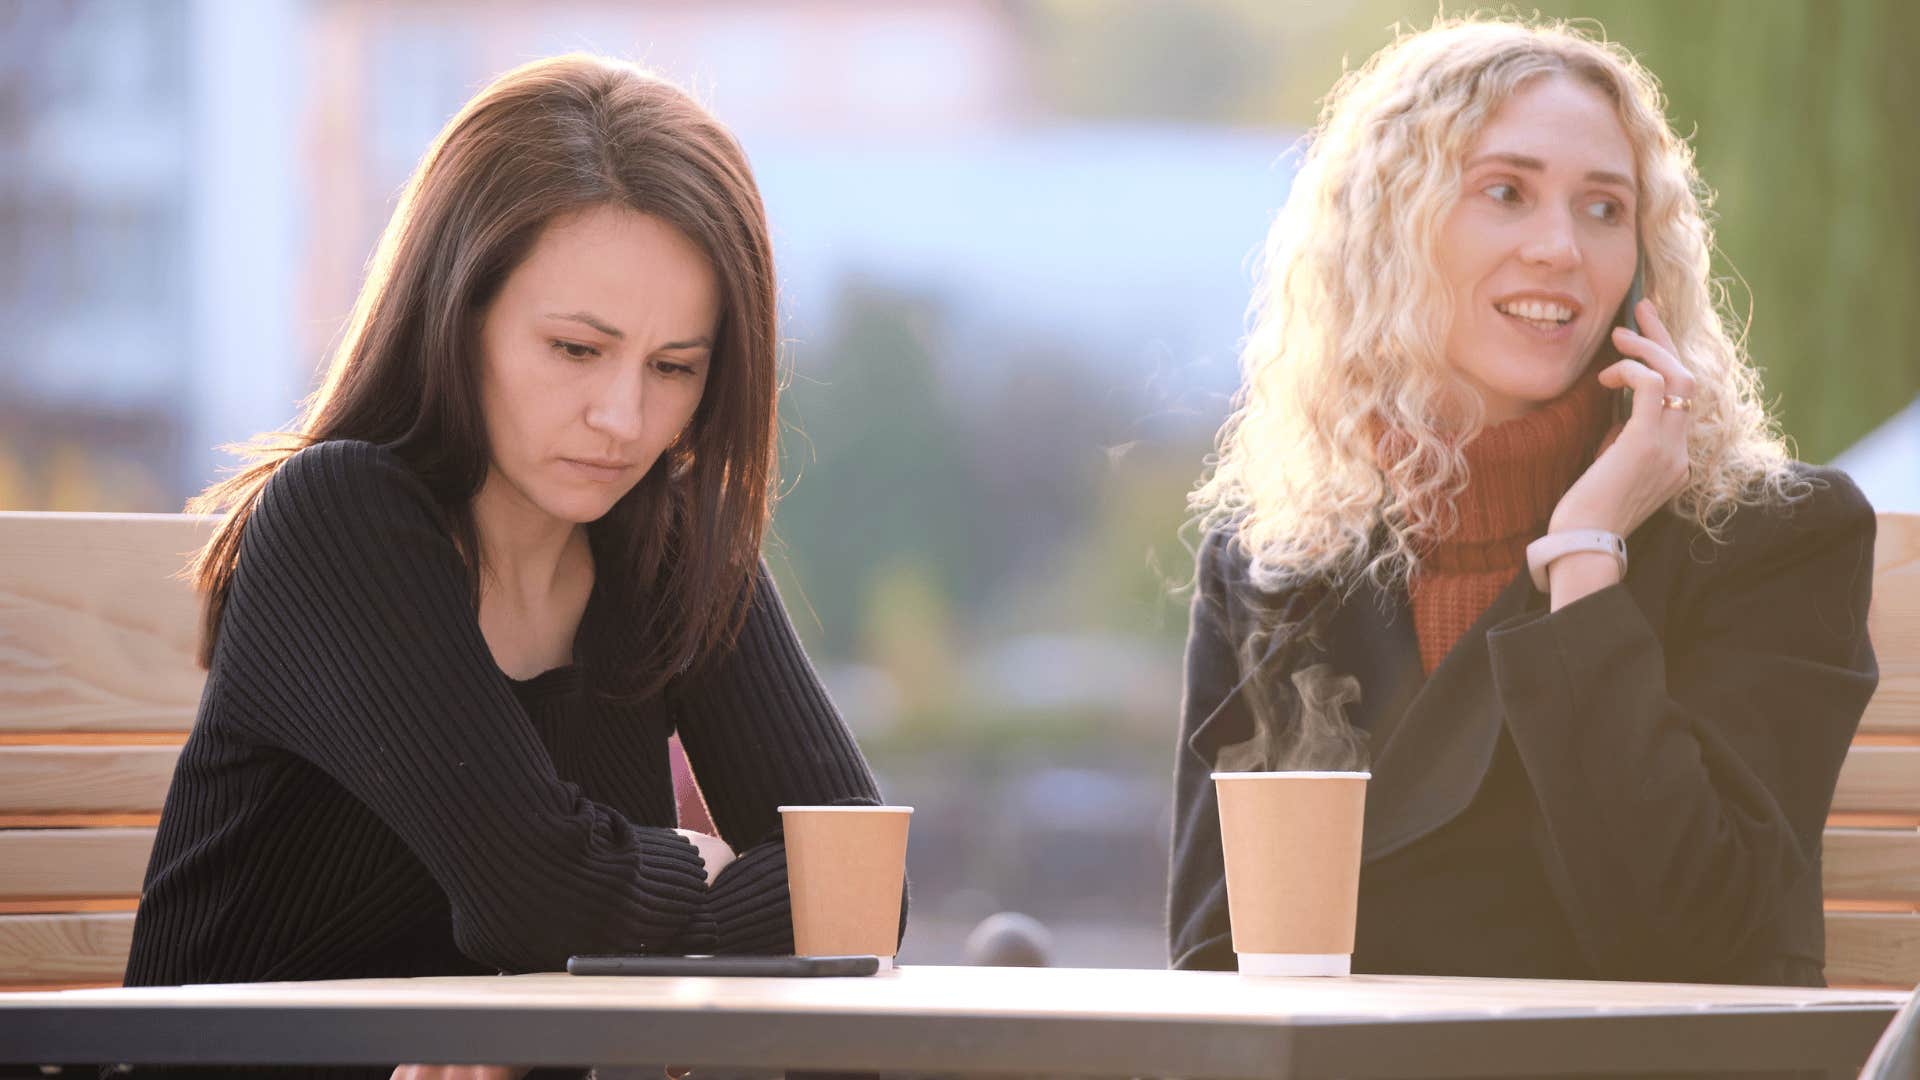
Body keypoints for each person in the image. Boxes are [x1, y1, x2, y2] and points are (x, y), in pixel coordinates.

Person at [123, 54, 895, 1078]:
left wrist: (587, 939)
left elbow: (861, 887)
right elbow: (534, 900)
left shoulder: (664, 546)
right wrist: (703, 872)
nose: (622, 419)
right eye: (577, 349)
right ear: (461, 310)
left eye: (673, 369)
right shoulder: (340, 520)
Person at [1169, 17, 1877, 986]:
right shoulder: (1281, 559)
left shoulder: (1771, 538)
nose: (1560, 248)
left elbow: (1705, 938)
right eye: (1505, 192)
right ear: (1388, 230)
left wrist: (1586, 552)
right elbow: (1216, 955)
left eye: (1603, 209)